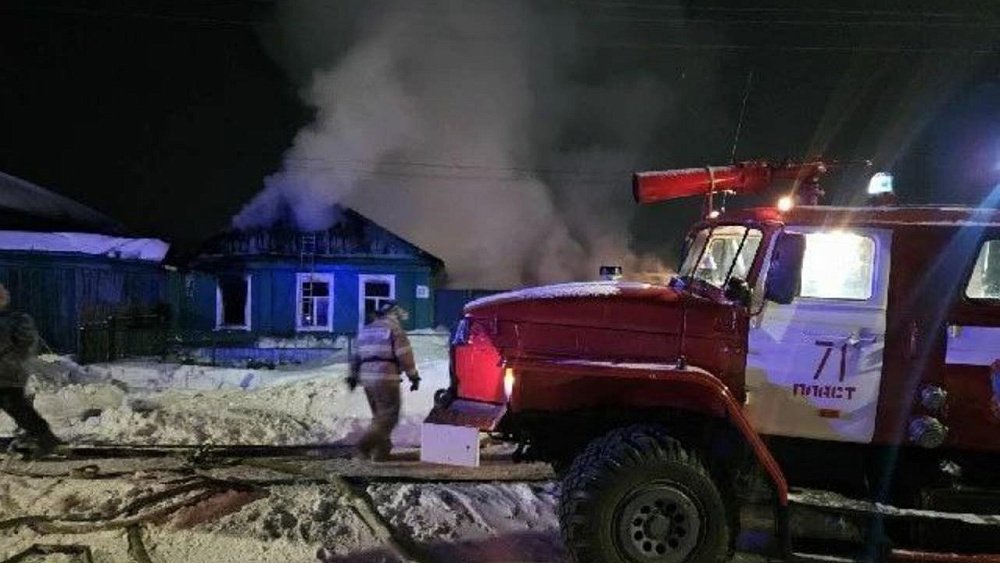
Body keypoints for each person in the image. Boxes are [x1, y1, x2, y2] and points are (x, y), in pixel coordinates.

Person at [347, 300, 420, 461]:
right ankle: (364, 447)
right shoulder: (394, 329)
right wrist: (413, 376)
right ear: (394, 314)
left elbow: (356, 356)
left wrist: (353, 376)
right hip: (386, 378)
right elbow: (404, 354)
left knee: (379, 417)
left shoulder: (366, 330)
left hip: (367, 379)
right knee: (389, 416)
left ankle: (381, 453)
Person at [0, 283, 61, 456]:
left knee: (15, 406)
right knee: (16, 407)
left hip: (8, 373)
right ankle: (40, 436)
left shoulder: (16, 320)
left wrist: (8, 359)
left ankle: (44, 438)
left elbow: (25, 344)